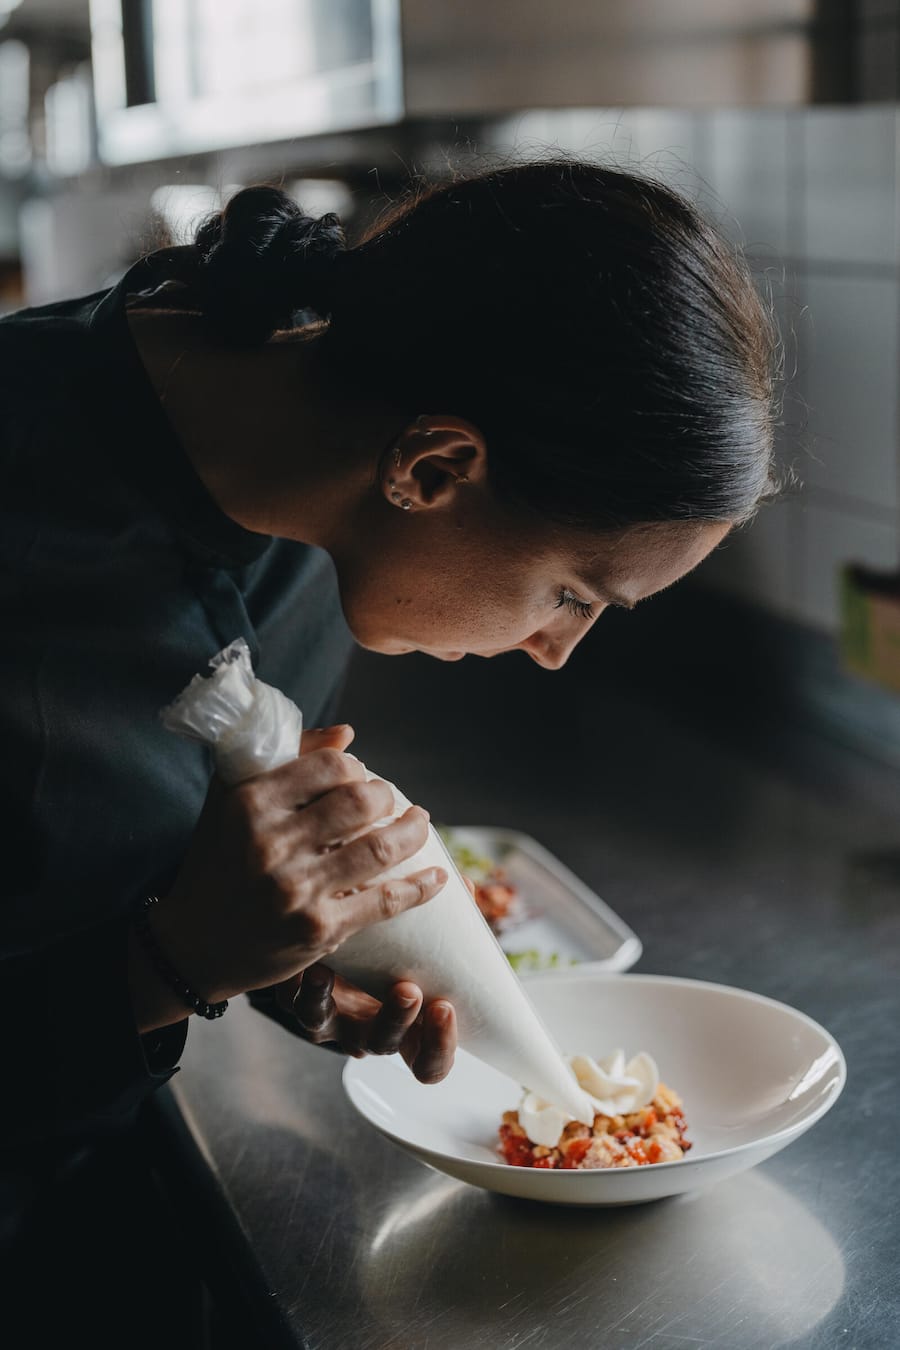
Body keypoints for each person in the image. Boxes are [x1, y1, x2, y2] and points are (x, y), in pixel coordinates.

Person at [0, 157, 778, 1344]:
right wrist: (172, 964)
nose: (554, 652)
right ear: (434, 467)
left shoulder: (329, 529)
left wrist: (268, 959)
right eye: (574, 595)